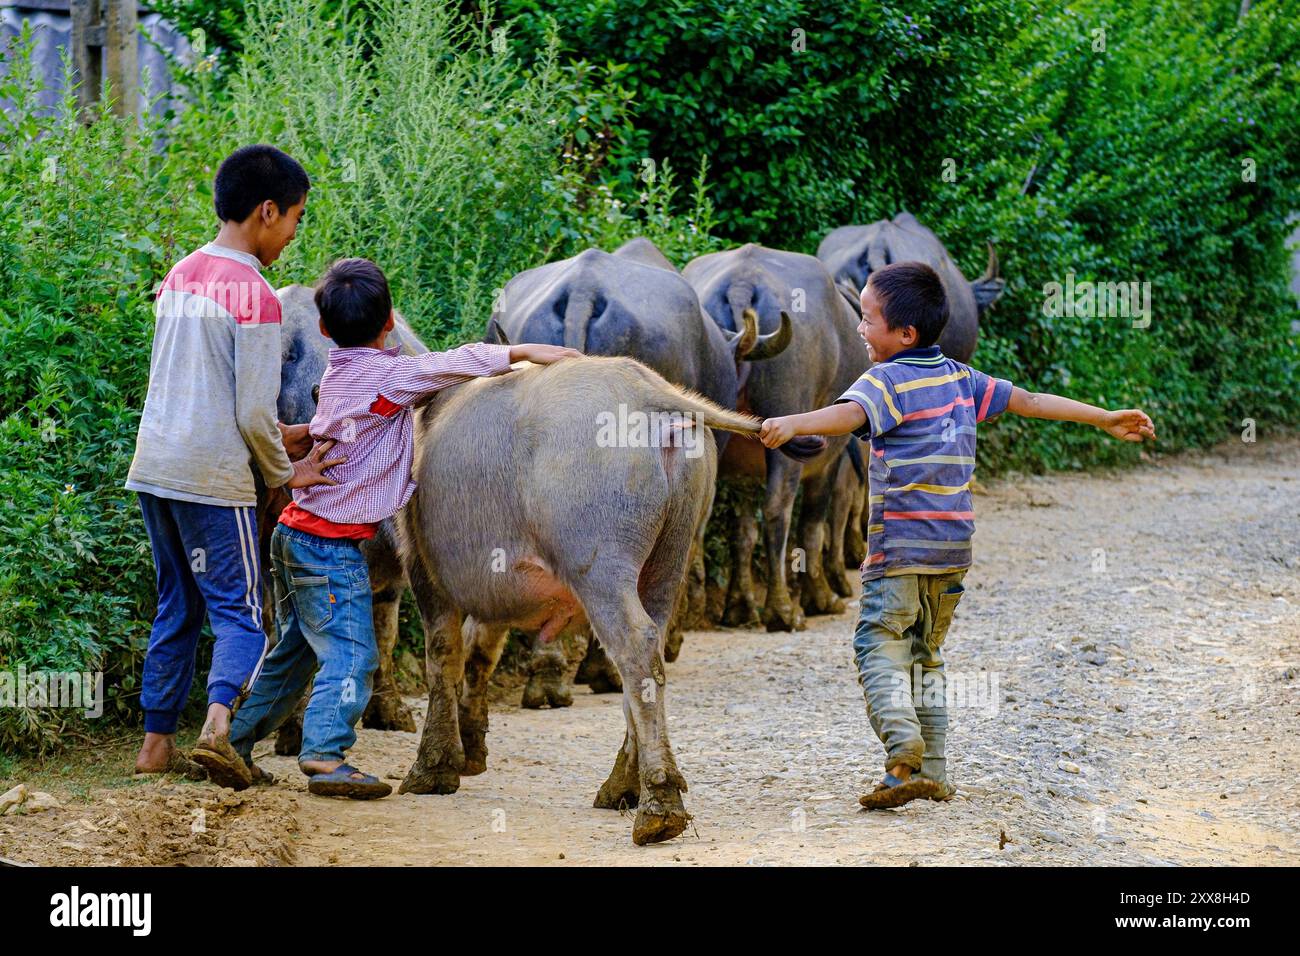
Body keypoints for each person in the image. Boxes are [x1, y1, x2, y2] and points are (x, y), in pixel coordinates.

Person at [758, 260, 1156, 808]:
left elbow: (845, 417)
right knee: (926, 654)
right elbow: (1031, 403)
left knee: (878, 641)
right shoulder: (961, 378)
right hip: (952, 551)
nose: (858, 328)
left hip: (899, 549)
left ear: (904, 334)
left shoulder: (886, 380)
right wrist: (1103, 416)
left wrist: (793, 424)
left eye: (867, 319)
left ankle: (903, 748)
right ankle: (934, 774)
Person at [216, 257, 581, 797]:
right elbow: (453, 363)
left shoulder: (336, 370)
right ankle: (325, 754)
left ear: (322, 329)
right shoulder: (394, 375)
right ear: (390, 322)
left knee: (292, 653)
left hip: (292, 537)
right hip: (330, 546)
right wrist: (522, 352)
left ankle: (233, 743)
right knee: (354, 654)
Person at [128, 145, 339, 785]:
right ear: (267, 211)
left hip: (157, 468)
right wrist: (285, 472)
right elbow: (250, 414)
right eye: (296, 217)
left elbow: (204, 391)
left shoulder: (180, 274)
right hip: (213, 482)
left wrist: (288, 435)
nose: (296, 232)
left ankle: (154, 747)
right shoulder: (255, 294)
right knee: (243, 613)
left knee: (176, 605)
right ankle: (219, 731)